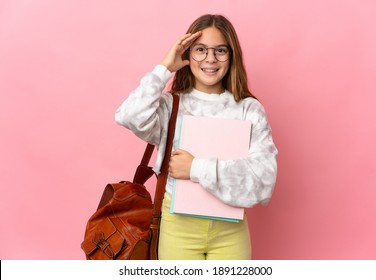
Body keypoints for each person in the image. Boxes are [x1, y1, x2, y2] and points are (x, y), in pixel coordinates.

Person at [115, 14, 278, 260]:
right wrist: (164, 69)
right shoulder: (171, 105)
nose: (210, 59)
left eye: (220, 50)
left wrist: (196, 168)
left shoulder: (248, 109)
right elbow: (128, 116)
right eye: (200, 50)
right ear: (187, 54)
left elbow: (264, 179)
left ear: (231, 56)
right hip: (178, 227)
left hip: (230, 232)